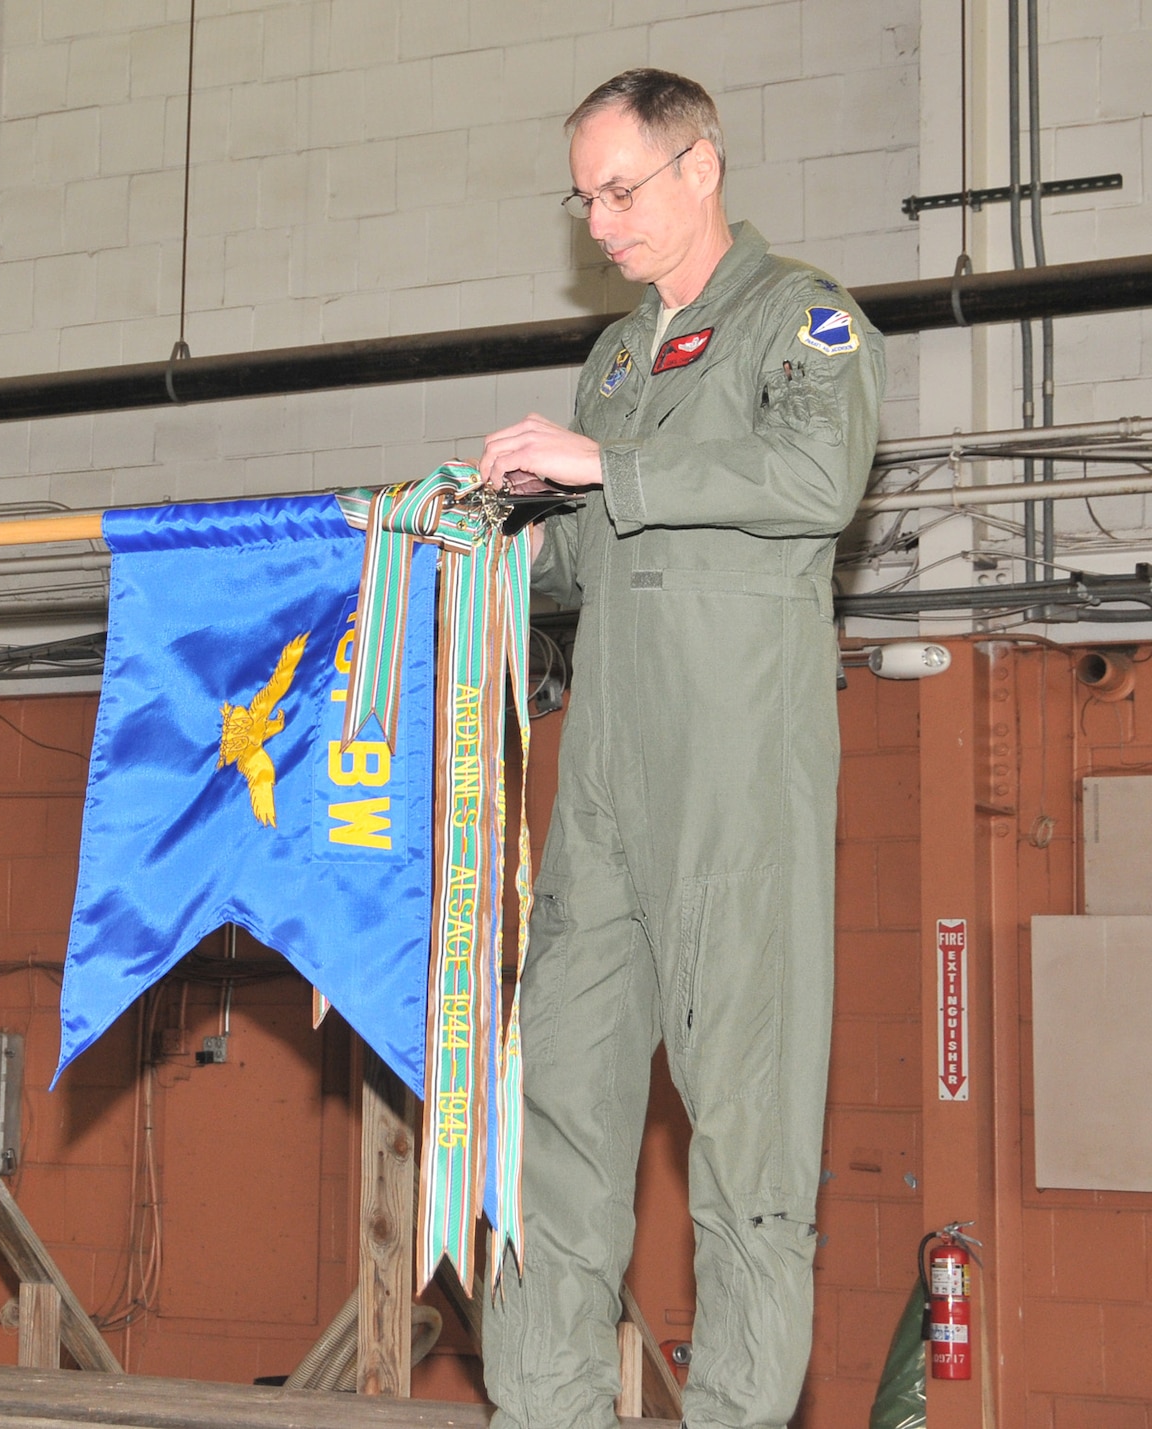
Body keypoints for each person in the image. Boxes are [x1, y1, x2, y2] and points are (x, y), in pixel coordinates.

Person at [475, 71, 885, 1429]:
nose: (599, 223)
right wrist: (476, 545)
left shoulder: (801, 321)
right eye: (583, 198)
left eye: (620, 189)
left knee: (748, 1162)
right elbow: (591, 560)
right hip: (604, 797)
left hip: (736, 801)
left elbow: (817, 482)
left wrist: (606, 470)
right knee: (558, 1135)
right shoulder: (613, 361)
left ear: (699, 167)